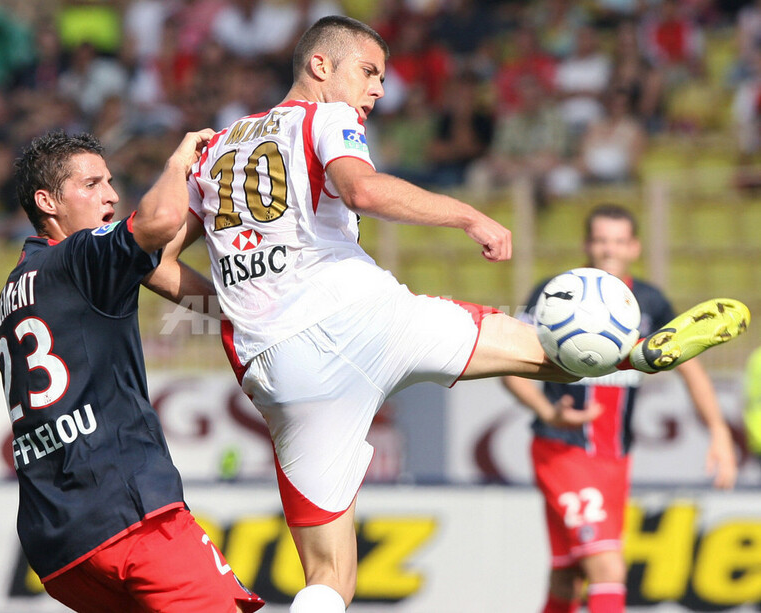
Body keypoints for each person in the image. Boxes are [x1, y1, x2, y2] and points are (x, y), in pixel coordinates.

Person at [150, 17, 749, 612]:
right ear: (320, 65)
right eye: (369, 72)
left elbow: (153, 262)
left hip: (275, 364)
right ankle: (632, 355)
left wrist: (233, 311)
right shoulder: (326, 116)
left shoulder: (214, 151)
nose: (378, 89)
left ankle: (627, 356)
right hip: (358, 321)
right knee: (533, 347)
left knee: (330, 577)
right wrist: (468, 215)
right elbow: (362, 190)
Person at [0, 130, 264, 613]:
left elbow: (151, 267)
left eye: (110, 181)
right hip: (129, 515)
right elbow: (159, 223)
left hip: (57, 544)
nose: (112, 195)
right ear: (47, 202)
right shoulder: (80, 256)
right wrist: (180, 164)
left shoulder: (21, 281)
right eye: (92, 184)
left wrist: (243, 316)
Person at [501, 204, 740, 613]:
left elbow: (691, 369)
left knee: (568, 575)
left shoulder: (649, 302)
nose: (608, 250)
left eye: (618, 241)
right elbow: (511, 365)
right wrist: (548, 410)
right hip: (562, 448)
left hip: (614, 459)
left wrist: (718, 430)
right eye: (600, 240)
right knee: (608, 567)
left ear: (634, 248)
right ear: (586, 244)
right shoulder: (556, 294)